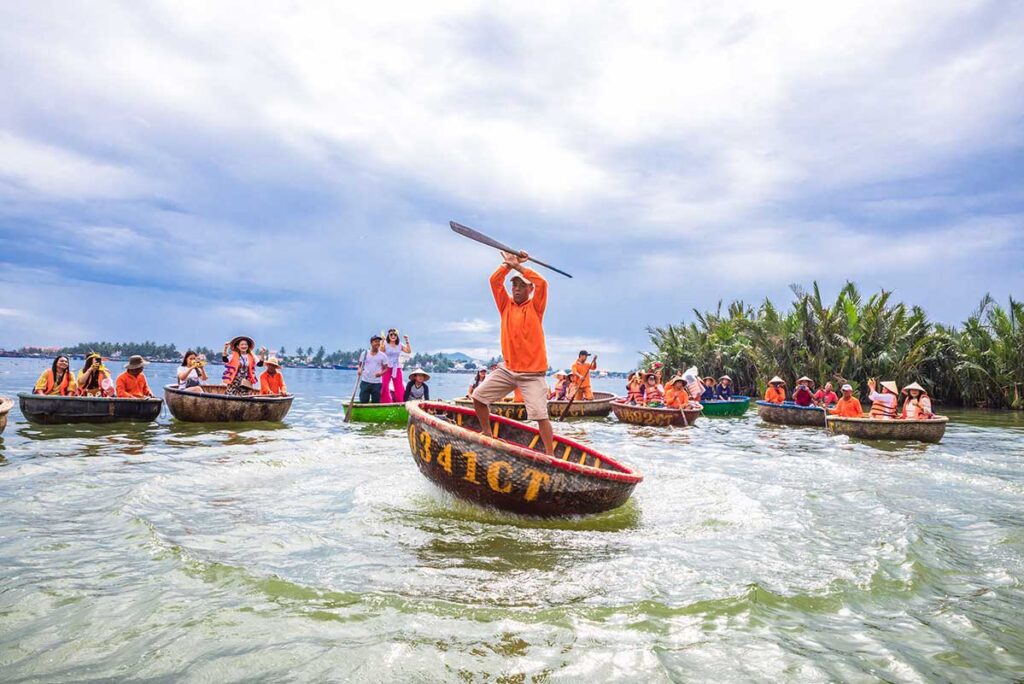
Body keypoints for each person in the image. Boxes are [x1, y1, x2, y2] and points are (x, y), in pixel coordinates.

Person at [471, 251, 555, 455]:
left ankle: (551, 456)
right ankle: (487, 434)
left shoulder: (535, 306)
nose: (516, 289)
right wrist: (507, 265)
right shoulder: (505, 305)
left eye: (521, 286)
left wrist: (519, 266)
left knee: (540, 415)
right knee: (478, 397)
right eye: (514, 285)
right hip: (508, 370)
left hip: (532, 374)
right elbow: (494, 281)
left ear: (529, 289)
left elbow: (543, 283)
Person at [381, 329, 412, 403]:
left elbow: (408, 351)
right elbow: (381, 350)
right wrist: (382, 341)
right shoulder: (385, 343)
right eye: (391, 334)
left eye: (395, 335)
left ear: (397, 336)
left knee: (399, 387)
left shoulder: (400, 344)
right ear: (389, 335)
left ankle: (400, 402)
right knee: (384, 386)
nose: (393, 336)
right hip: (386, 367)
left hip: (396, 367)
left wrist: (407, 340)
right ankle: (386, 402)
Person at [357, 334, 390, 403]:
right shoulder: (365, 353)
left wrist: (380, 373)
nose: (377, 343)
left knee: (376, 402)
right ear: (371, 343)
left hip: (377, 383)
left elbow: (386, 369)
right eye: (376, 341)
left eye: (379, 342)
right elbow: (360, 365)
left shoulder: (383, 356)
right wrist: (359, 370)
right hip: (365, 382)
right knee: (363, 401)